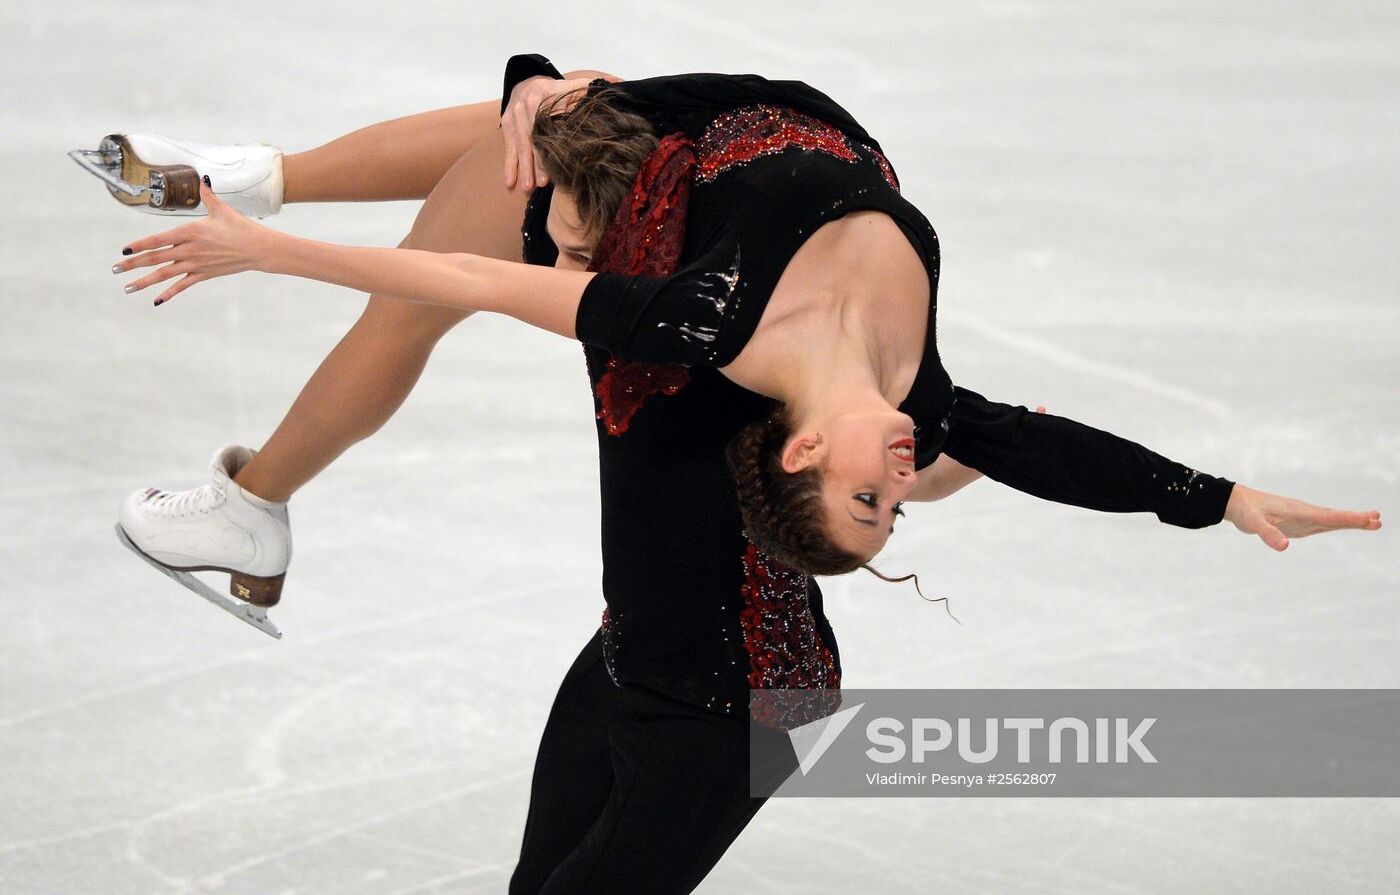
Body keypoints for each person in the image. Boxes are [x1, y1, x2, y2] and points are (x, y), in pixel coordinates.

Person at [95, 56, 1381, 893]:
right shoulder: (922, 397)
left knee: (514, 182)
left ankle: (254, 423)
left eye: (871, 495)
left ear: (806, 452)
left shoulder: (699, 319)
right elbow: (1045, 450)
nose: (897, 474)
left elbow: (479, 277)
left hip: (722, 702)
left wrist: (263, 248)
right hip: (741, 131)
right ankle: (258, 282)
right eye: (895, 492)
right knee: (532, 129)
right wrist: (1219, 496)